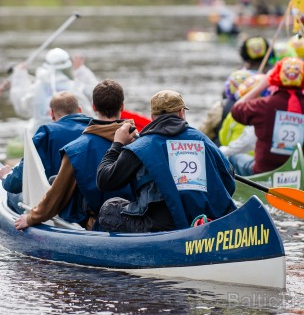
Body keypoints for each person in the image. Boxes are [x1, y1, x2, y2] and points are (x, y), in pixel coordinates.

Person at [96, 90, 236, 233]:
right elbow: (229, 178)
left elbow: (104, 180)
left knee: (109, 209)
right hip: (203, 221)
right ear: (182, 113)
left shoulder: (140, 146)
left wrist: (117, 144)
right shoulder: (203, 140)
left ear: (152, 117)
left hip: (158, 227)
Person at [13, 79, 134, 231]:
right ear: (122, 106)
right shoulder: (141, 141)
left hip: (99, 224)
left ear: (93, 107)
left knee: (54, 180)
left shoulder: (75, 149)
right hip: (139, 218)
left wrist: (31, 218)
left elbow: (57, 195)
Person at [228, 57, 304, 176]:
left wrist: (262, 85)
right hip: (303, 175)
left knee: (234, 158)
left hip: (264, 173)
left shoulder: (264, 105)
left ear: (276, 77)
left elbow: (236, 110)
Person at [0, 91, 92, 213]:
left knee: (11, 193)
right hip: (90, 202)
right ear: (80, 110)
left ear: (51, 114)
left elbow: (15, 184)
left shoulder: (46, 133)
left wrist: (6, 177)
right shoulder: (97, 128)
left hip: (58, 206)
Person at [10, 47, 97, 133]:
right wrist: (81, 70)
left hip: (39, 136)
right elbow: (95, 100)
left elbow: (21, 109)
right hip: (70, 137)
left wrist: (19, 75)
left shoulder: (36, 87)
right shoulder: (75, 87)